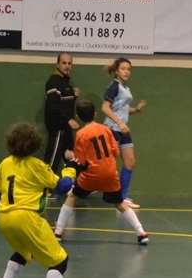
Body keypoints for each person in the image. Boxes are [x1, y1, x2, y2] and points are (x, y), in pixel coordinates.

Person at [0, 123, 76, 278]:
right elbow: (62, 187)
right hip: (27, 216)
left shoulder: (5, 164)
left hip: (4, 216)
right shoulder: (37, 166)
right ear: (35, 144)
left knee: (24, 251)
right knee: (60, 260)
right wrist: (70, 169)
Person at [54, 100, 150, 246]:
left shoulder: (80, 134)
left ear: (78, 117)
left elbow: (81, 161)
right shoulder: (106, 129)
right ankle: (141, 232)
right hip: (110, 173)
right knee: (119, 203)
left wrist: (70, 157)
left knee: (72, 196)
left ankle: (58, 231)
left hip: (91, 175)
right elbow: (115, 152)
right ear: (95, 114)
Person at [102, 57, 146, 209]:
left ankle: (122, 197)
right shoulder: (114, 86)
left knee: (130, 162)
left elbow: (122, 109)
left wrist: (136, 110)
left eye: (128, 69)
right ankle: (79, 186)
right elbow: (105, 107)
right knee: (106, 165)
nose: (126, 72)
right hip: (112, 129)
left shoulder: (125, 89)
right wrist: (119, 122)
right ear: (116, 71)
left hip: (123, 130)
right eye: (123, 69)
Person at [44, 52, 80, 191]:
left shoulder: (66, 81)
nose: (67, 66)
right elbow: (53, 105)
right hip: (58, 126)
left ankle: (76, 186)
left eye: (69, 63)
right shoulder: (54, 81)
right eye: (64, 63)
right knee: (53, 157)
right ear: (57, 64)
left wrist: (74, 96)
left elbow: (64, 102)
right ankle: (45, 188)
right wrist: (68, 119)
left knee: (71, 156)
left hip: (65, 127)